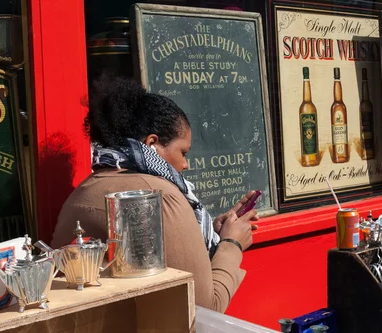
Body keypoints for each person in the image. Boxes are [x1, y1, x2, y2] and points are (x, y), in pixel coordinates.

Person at [51, 76, 258, 313]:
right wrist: (232, 244)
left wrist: (212, 232)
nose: (186, 164)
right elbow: (203, 309)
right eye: (183, 152)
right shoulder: (162, 197)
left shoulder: (85, 189)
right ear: (152, 144)